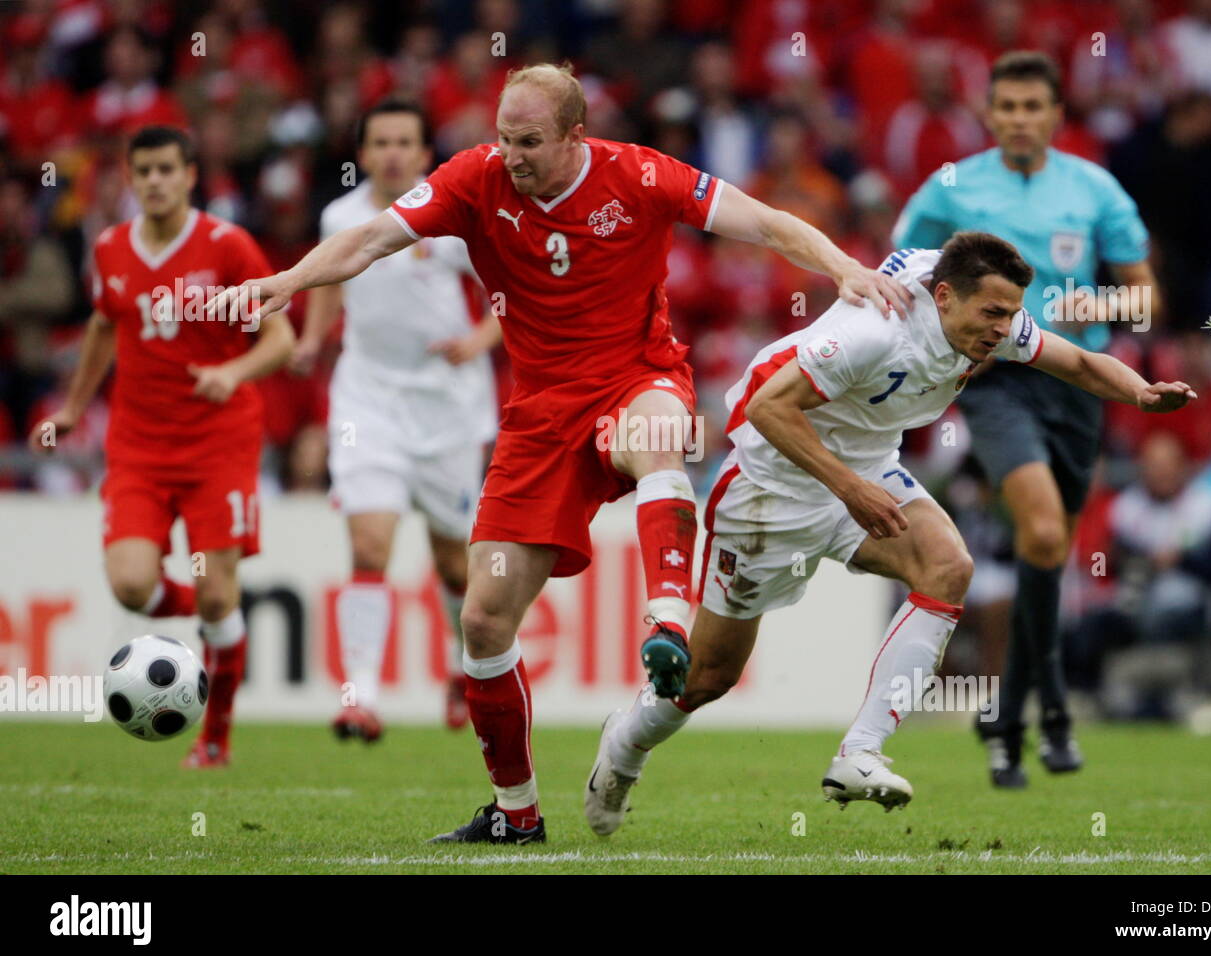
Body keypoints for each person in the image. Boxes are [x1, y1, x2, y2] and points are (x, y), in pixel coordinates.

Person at [205, 62, 910, 844]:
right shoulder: (473, 179)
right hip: (538, 417)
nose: (513, 155)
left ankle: (668, 619)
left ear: (577, 135)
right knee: (481, 618)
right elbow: (371, 237)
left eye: (531, 141)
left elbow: (766, 222)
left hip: (635, 376)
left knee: (654, 439)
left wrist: (843, 266)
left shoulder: (639, 173)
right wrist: (290, 280)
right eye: (505, 138)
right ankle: (516, 812)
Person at [583, 233, 1196, 835]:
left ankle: (861, 752)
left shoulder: (987, 319)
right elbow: (768, 408)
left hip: (869, 467)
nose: (1003, 327)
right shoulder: (874, 333)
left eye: (1011, 314)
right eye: (993, 312)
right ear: (945, 296)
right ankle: (625, 746)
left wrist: (1140, 393)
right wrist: (849, 489)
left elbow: (1080, 360)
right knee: (710, 677)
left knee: (947, 567)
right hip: (772, 487)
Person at [892, 51, 1162, 787]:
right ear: (988, 114)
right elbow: (902, 267)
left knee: (1050, 551)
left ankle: (1013, 716)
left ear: (1055, 116)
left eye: (1030, 106)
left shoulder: (1093, 188)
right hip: (998, 381)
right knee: (1042, 530)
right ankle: (1050, 711)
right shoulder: (953, 186)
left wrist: (1098, 306)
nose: (1017, 118)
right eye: (1004, 106)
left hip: (1079, 383)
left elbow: (1144, 296)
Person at [28, 126, 294, 767]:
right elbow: (100, 327)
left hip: (218, 444)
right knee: (129, 584)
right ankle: (213, 613)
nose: (153, 181)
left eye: (165, 169)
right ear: (129, 177)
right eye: (141, 170)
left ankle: (216, 741)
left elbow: (281, 337)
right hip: (139, 447)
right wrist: (71, 406)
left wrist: (231, 373)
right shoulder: (111, 248)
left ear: (189, 174)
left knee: (215, 591)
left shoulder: (228, 247)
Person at [289, 100, 501, 741]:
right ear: (362, 153)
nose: (390, 153)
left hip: (448, 408)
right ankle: (360, 697)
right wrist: (311, 340)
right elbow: (330, 282)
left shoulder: (450, 216)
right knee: (369, 545)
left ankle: (464, 674)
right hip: (367, 400)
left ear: (422, 154)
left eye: (403, 141)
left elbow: (512, 290)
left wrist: (479, 340)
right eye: (378, 141)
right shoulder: (341, 215)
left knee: (454, 567)